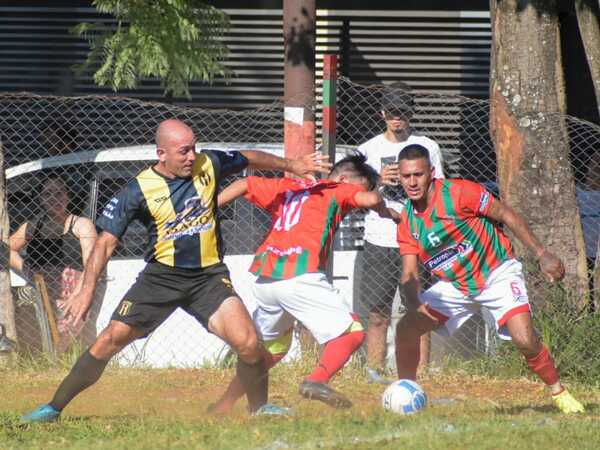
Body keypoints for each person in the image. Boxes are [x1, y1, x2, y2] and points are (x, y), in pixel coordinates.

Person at [20, 119, 330, 422]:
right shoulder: (138, 189)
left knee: (250, 344)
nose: (191, 156)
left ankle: (259, 408)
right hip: (160, 279)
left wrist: (292, 164)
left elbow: (248, 157)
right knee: (108, 340)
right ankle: (53, 408)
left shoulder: (209, 164)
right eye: (183, 151)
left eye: (193, 148)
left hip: (208, 277)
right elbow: (104, 243)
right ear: (162, 154)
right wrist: (85, 291)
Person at [393, 144, 585, 414]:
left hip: (496, 272)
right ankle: (407, 395)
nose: (412, 182)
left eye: (418, 175)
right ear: (399, 177)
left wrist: (542, 254)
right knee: (406, 329)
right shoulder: (408, 220)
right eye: (406, 176)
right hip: (457, 286)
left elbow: (504, 213)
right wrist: (414, 302)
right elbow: (409, 272)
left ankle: (559, 392)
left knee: (525, 339)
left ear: (431, 173)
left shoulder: (459, 193)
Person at [210, 154, 395, 414]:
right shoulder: (339, 189)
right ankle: (316, 381)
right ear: (343, 179)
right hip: (300, 276)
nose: (355, 203)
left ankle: (223, 406)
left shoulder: (292, 187)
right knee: (352, 332)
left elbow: (245, 184)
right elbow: (372, 199)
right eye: (357, 192)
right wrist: (378, 197)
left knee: (268, 352)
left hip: (266, 279)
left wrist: (209, 207)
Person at [354, 81, 444, 384]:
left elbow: (439, 190)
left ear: (411, 114)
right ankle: (374, 372)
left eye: (403, 112)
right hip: (380, 239)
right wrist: (379, 180)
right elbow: (352, 193)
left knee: (418, 310)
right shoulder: (367, 150)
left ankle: (421, 372)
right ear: (382, 113)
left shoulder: (427, 146)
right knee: (377, 311)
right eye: (392, 112)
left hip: (417, 239)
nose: (398, 118)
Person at [9, 175, 100, 352]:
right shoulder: (32, 227)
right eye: (48, 194)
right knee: (36, 340)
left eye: (59, 193)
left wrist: (78, 294)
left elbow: (91, 264)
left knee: (66, 342)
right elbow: (6, 249)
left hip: (73, 291)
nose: (54, 198)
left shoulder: (81, 225)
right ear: (41, 198)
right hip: (41, 293)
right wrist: (28, 272)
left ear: (67, 196)